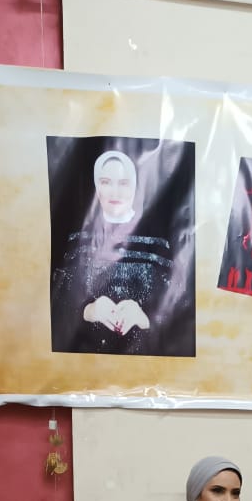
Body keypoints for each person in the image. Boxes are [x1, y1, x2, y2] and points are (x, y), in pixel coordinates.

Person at [51, 149, 185, 355]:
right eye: (106, 182)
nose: (115, 192)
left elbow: (180, 311)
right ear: (97, 188)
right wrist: (88, 311)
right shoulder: (77, 242)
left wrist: (143, 317)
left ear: (135, 187)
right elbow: (56, 307)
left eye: (123, 183)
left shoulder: (159, 244)